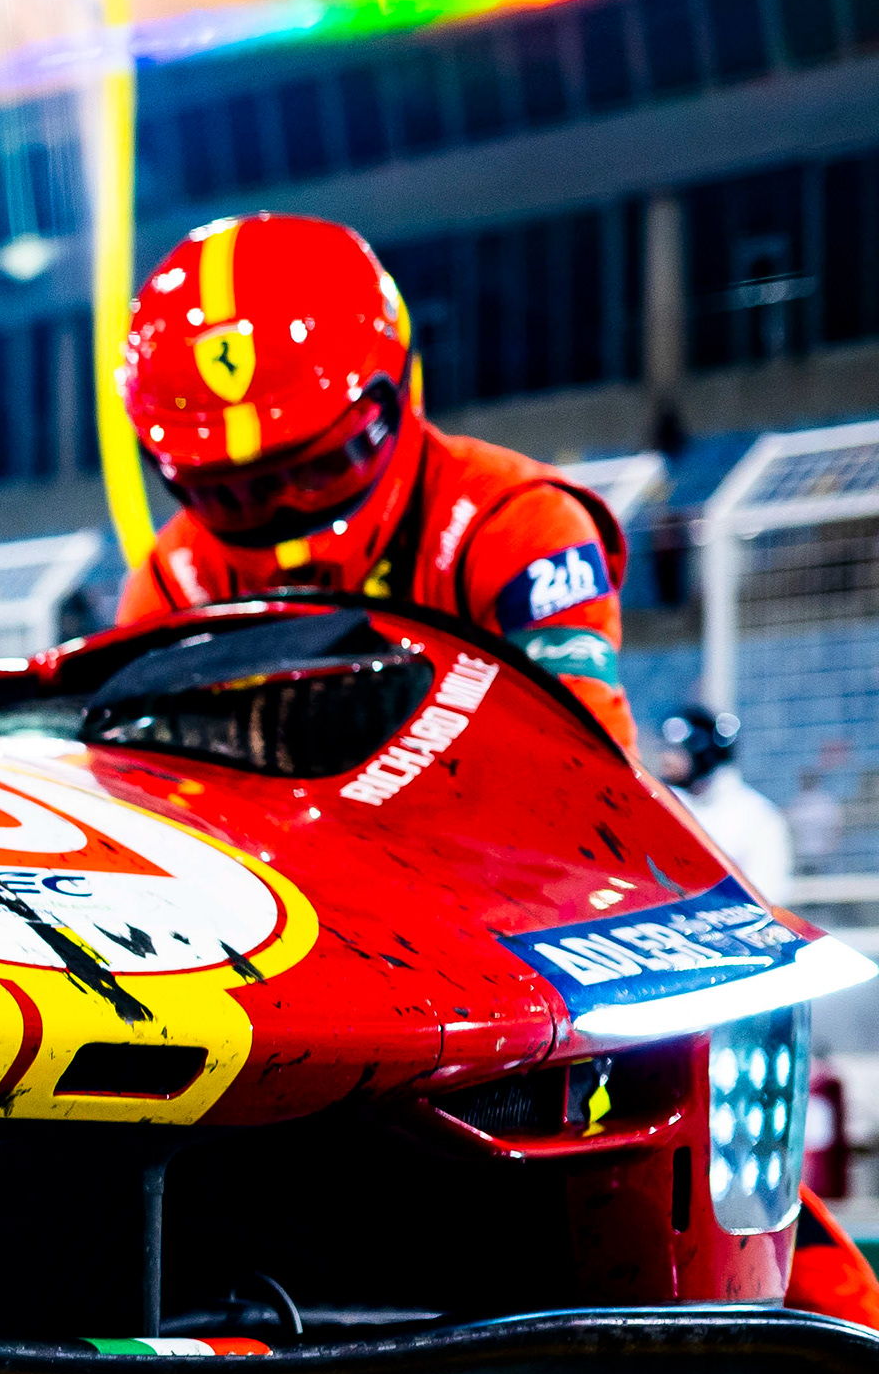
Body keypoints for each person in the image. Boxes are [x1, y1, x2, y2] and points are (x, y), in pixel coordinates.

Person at [115, 212, 633, 743]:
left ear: (398, 396)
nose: (288, 538)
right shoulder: (172, 581)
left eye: (323, 466)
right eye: (230, 494)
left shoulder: (518, 527)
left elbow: (587, 767)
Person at [652, 703, 797, 900]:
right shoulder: (664, 807)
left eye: (676, 750)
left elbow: (769, 891)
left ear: (702, 751)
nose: (665, 759)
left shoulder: (756, 816)